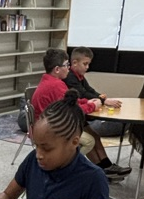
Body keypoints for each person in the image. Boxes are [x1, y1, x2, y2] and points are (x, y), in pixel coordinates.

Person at [0, 90, 109, 199]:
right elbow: (8, 196)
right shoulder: (33, 161)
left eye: (47, 149)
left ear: (74, 143)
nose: (39, 155)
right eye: (37, 146)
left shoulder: (93, 177)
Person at [32, 48, 130, 178]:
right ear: (57, 69)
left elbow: (71, 101)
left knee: (92, 133)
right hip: (52, 130)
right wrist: (92, 105)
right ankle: (64, 166)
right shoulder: (56, 85)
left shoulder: (51, 81)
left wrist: (88, 102)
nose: (68, 68)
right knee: (89, 141)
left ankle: (104, 169)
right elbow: (73, 110)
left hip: (53, 124)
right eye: (66, 65)